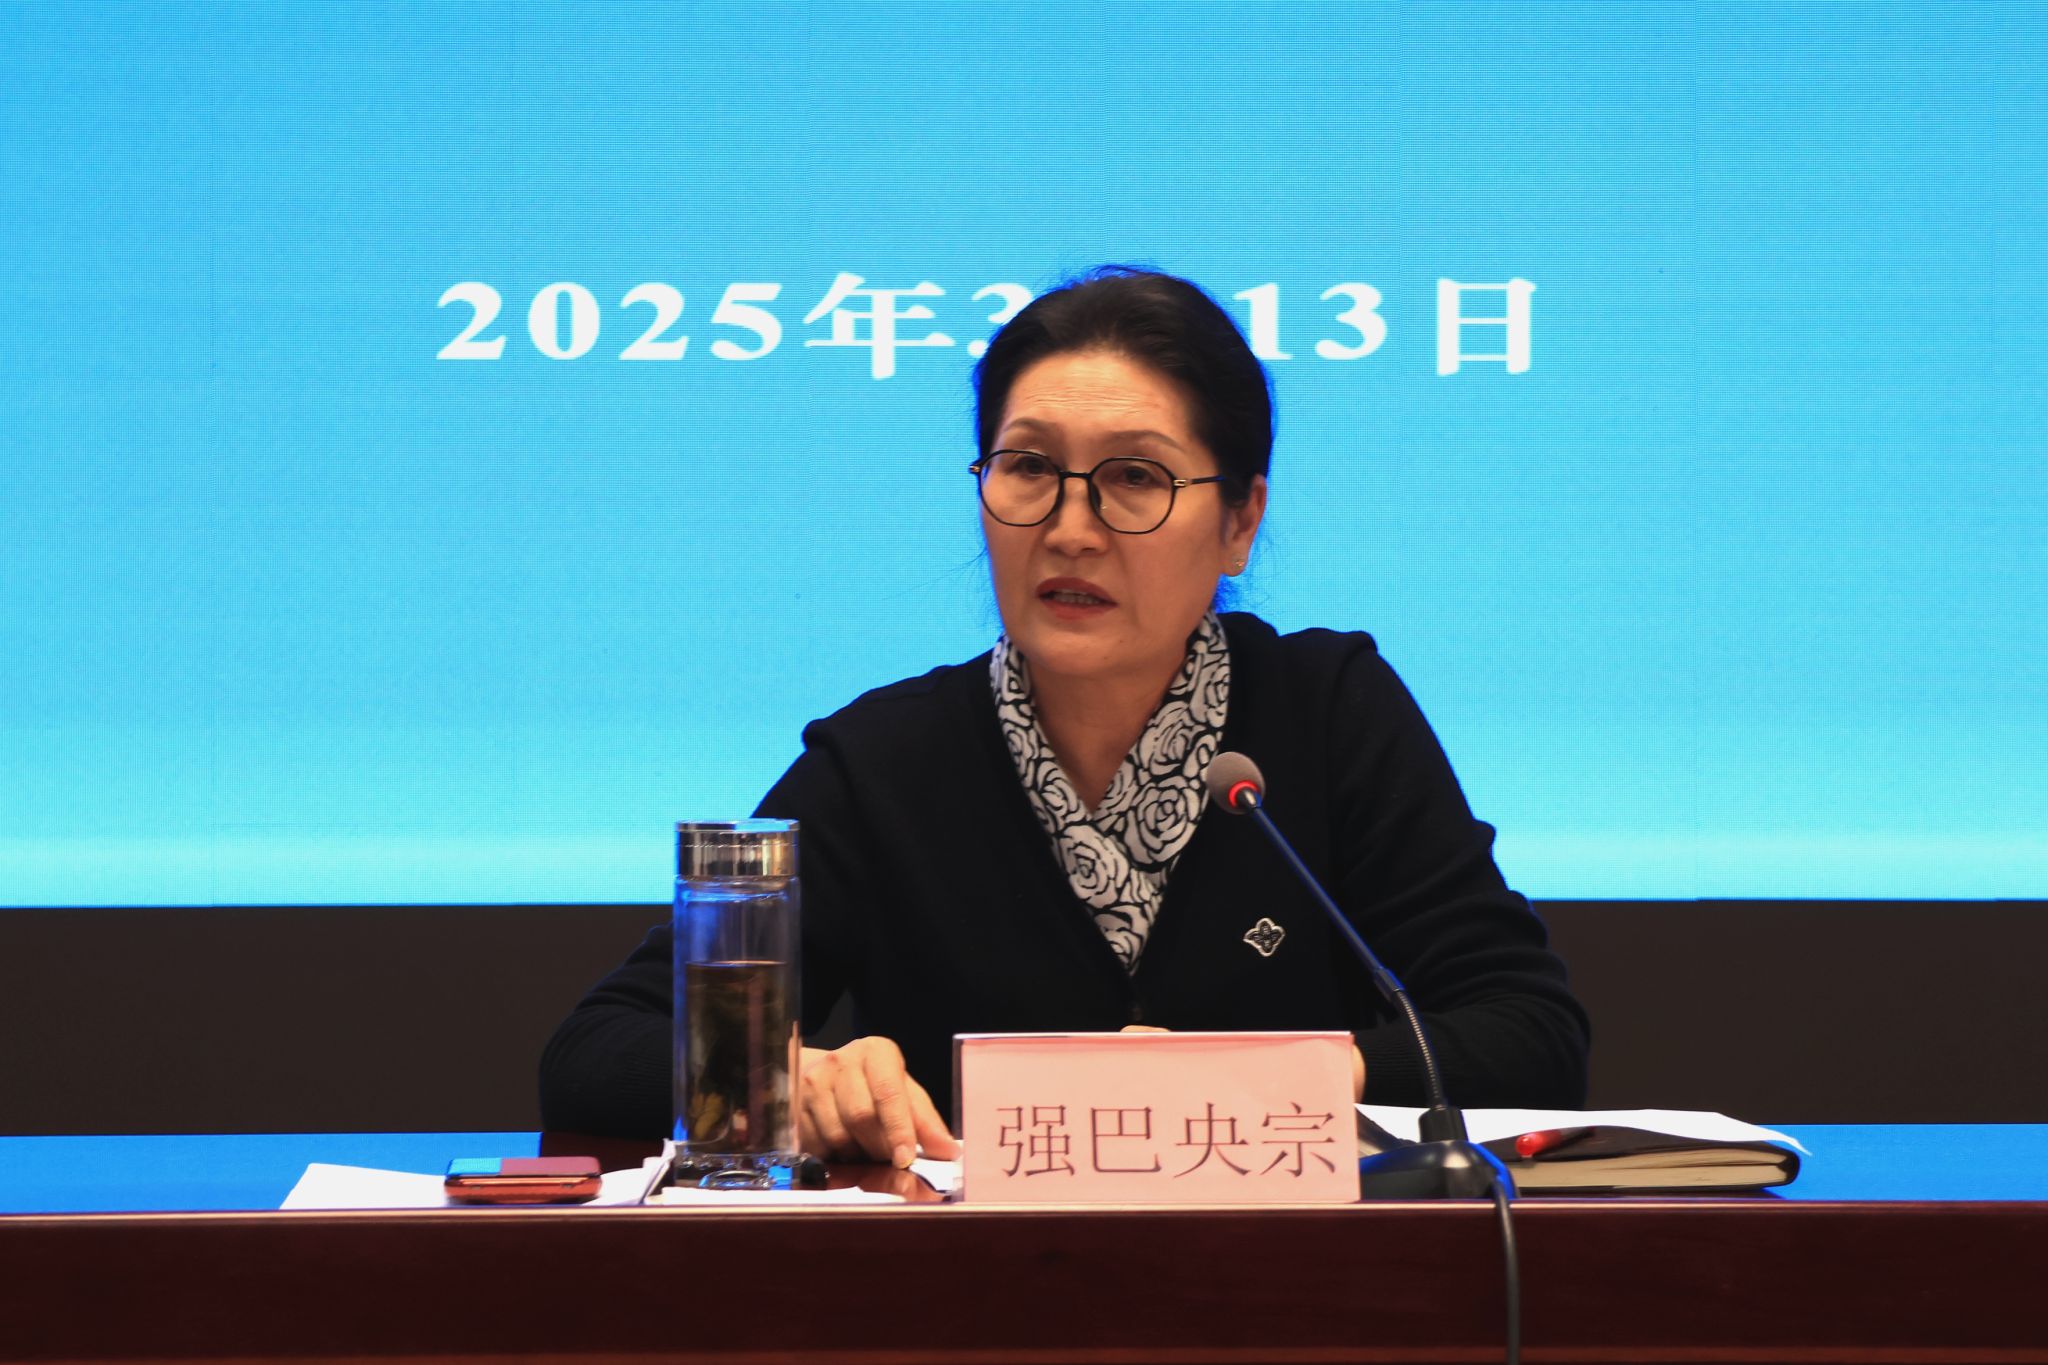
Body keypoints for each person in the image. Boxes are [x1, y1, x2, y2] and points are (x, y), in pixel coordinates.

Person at [540, 267, 1589, 1167]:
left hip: (1282, 1283)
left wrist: (1286, 1075)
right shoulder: (887, 760)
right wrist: (782, 1078)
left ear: (1239, 521)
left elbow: (1530, 1033)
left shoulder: (1323, 711)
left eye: (1133, 478)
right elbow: (595, 1051)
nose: (1071, 528)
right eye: (1030, 468)